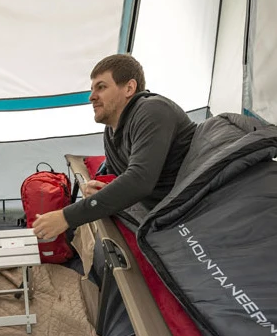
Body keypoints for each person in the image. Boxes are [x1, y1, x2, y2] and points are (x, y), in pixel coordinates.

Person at [32, 54, 196, 242]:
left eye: (101, 87)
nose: (91, 97)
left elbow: (139, 180)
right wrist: (97, 188)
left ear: (129, 88)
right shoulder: (112, 130)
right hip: (158, 210)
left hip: (188, 213)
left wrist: (66, 217)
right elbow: (118, 176)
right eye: (92, 89)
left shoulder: (153, 111)